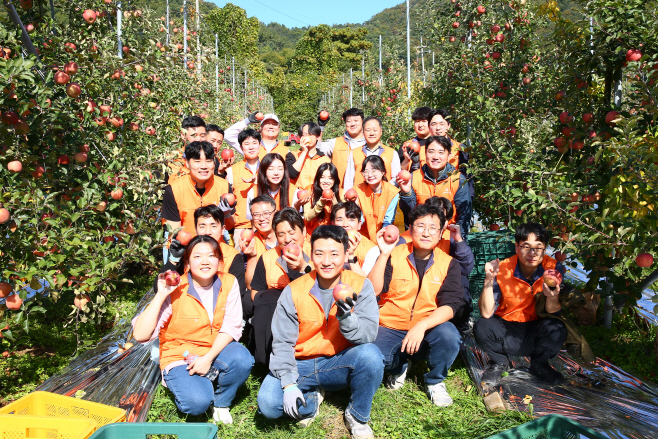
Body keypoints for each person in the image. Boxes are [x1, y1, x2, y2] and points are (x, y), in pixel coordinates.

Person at [257, 225, 383, 439]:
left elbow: (368, 335)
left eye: (334, 254)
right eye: (319, 253)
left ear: (345, 255)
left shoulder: (361, 285)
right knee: (269, 405)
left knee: (371, 356)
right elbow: (282, 342)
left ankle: (358, 416)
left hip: (338, 362)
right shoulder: (294, 290)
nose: (326, 261)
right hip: (300, 364)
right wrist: (288, 383)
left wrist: (347, 318)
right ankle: (311, 400)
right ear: (311, 255)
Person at [132, 235, 254, 424]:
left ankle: (221, 401)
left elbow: (232, 326)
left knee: (242, 358)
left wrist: (207, 359)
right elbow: (140, 335)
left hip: (213, 349)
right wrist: (160, 295)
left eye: (211, 256)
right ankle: (195, 385)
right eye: (197, 257)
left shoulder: (228, 283)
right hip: (180, 355)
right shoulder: (176, 288)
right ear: (187, 262)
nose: (205, 261)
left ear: (219, 261)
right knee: (197, 403)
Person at [367, 203, 464, 406]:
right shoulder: (394, 254)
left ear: (441, 233)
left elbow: (451, 305)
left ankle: (435, 381)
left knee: (449, 335)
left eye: (432, 228)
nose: (426, 232)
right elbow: (373, 291)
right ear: (411, 229)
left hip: (426, 328)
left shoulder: (449, 263)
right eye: (420, 226)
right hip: (390, 325)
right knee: (373, 357)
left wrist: (422, 325)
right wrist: (383, 254)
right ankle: (398, 367)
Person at [474, 223, 567, 387]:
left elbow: (553, 312)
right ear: (517, 247)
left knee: (557, 327)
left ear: (545, 249)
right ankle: (500, 363)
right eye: (526, 247)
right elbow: (487, 313)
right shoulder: (502, 269)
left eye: (538, 248)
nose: (532, 253)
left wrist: (552, 297)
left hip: (536, 329)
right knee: (483, 325)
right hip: (506, 327)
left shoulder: (553, 268)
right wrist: (488, 281)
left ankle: (539, 364)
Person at [249, 208, 312, 365]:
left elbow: (325, 283)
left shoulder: (315, 252)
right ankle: (268, 359)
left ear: (303, 231)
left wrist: (304, 267)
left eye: (292, 232)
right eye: (281, 234)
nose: (287, 239)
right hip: (275, 311)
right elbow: (255, 292)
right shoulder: (268, 258)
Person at [162, 205, 248, 320]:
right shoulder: (187, 253)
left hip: (220, 314)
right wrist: (173, 260)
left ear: (223, 229)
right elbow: (161, 288)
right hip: (185, 312)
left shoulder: (232, 256)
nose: (208, 232)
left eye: (213, 226)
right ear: (196, 229)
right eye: (202, 226)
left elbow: (238, 294)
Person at [398, 136, 471, 240]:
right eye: (431, 151)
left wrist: (459, 241)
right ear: (425, 153)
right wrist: (406, 193)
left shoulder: (457, 179)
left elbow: (464, 214)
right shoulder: (414, 177)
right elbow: (409, 212)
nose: (435, 156)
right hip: (421, 235)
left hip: (448, 236)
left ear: (449, 155)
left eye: (441, 152)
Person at [161, 141, 235, 237]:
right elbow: (174, 232)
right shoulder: (174, 190)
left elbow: (229, 226)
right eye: (197, 161)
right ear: (187, 163)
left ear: (214, 162)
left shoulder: (224, 186)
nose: (204, 166)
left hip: (215, 247)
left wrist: (226, 214)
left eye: (208, 161)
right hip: (188, 247)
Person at [428, 109, 473, 200]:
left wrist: (469, 199)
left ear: (448, 126)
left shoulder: (460, 149)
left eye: (442, 124)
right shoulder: (422, 149)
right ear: (429, 127)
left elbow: (467, 177)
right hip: (427, 199)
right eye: (434, 124)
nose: (438, 128)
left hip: (453, 198)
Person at [316, 108, 366, 190]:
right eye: (348, 121)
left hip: (363, 193)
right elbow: (317, 149)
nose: (352, 124)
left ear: (363, 122)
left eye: (356, 120)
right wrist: (321, 128)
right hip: (339, 193)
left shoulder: (368, 144)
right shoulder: (336, 142)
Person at [228, 129, 261, 250]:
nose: (251, 147)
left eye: (254, 143)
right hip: (242, 226)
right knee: (241, 263)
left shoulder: (268, 167)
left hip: (266, 223)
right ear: (241, 147)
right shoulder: (233, 170)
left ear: (260, 145)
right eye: (246, 144)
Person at [354, 155, 400, 241]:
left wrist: (381, 238)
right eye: (366, 171)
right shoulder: (357, 191)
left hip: (383, 236)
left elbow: (388, 220)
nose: (370, 175)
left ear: (383, 172)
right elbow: (358, 220)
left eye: (374, 171)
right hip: (362, 238)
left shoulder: (392, 193)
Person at [245, 153, 302, 220]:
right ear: (264, 171)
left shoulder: (294, 191)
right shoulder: (253, 192)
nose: (276, 173)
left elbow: (296, 222)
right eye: (271, 169)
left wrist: (296, 207)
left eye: (280, 169)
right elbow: (253, 222)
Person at [242, 195, 279, 292]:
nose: (262, 218)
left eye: (266, 213)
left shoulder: (287, 237)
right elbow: (250, 285)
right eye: (256, 215)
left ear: (275, 213)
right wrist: (251, 257)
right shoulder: (250, 243)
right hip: (263, 292)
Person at [351, 116, 400, 187]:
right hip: (360, 195)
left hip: (384, 196)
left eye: (375, 130)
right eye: (368, 130)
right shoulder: (354, 153)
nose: (371, 133)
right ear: (363, 132)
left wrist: (385, 192)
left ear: (381, 131)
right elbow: (349, 180)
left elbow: (396, 178)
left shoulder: (392, 153)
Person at [331, 201, 375, 273]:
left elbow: (367, 281)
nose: (345, 224)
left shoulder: (371, 249)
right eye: (340, 220)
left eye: (351, 220)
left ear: (359, 224)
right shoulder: (325, 244)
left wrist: (351, 256)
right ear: (332, 223)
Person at [302, 163, 343, 238]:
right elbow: (307, 217)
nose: (326, 181)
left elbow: (343, 219)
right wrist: (320, 204)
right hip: (313, 235)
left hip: (333, 236)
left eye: (330, 178)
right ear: (318, 178)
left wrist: (335, 206)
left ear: (335, 180)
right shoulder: (310, 191)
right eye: (322, 177)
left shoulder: (341, 193)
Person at [224, 111, 289, 159]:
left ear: (278, 128)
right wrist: (247, 121)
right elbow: (228, 135)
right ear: (261, 127)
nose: (271, 127)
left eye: (274, 124)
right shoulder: (251, 147)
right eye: (267, 123)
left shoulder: (286, 151)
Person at [287, 122, 330, 189]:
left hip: (316, 196)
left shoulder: (325, 160)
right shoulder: (292, 155)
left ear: (318, 137)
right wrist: (304, 151)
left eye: (311, 135)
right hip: (297, 196)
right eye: (305, 135)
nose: (307, 137)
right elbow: (291, 174)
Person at [166, 116, 207, 184]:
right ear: (183, 135)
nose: (198, 139)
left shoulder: (211, 160)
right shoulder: (172, 159)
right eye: (194, 135)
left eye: (202, 136)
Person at [399, 106, 433, 173]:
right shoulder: (406, 146)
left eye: (424, 121)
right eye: (417, 121)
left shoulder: (438, 144)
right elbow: (401, 171)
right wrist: (406, 159)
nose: (420, 125)